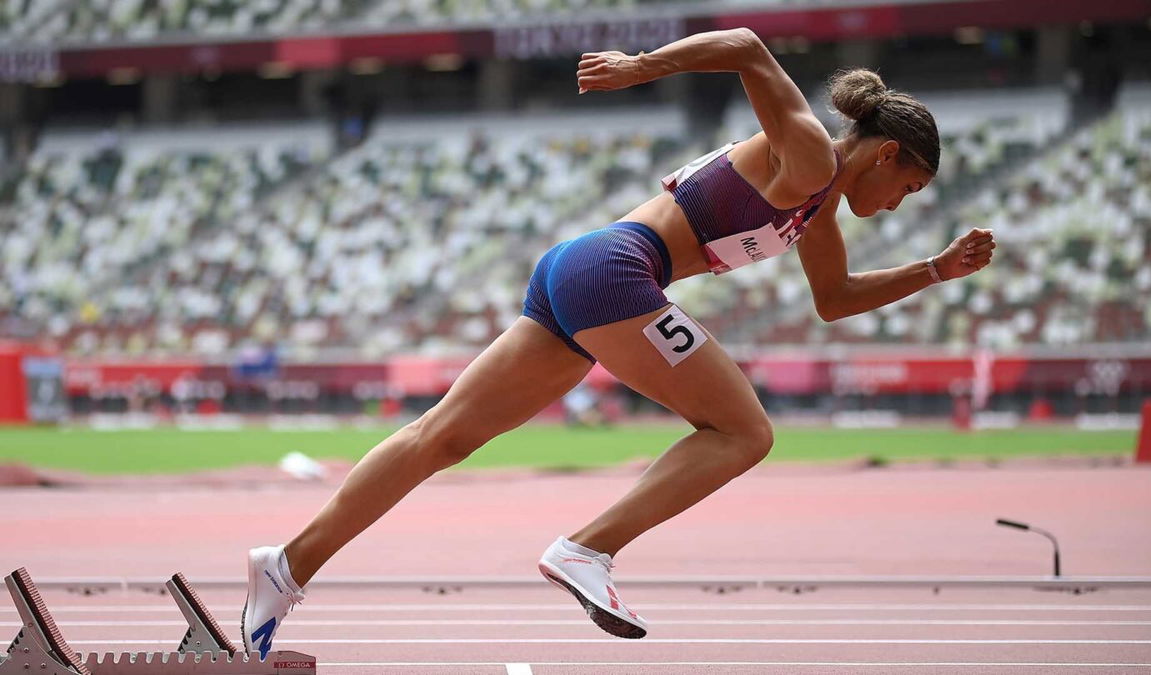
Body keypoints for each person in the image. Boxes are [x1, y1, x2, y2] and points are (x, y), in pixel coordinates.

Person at [240, 27, 997, 653]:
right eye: (909, 189)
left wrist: (933, 271)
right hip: (618, 272)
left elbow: (834, 300)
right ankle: (586, 548)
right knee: (743, 429)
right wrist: (641, 66)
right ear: (886, 154)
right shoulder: (809, 155)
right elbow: (748, 46)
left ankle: (287, 563)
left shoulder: (818, 206)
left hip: (579, 270)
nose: (899, 206)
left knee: (441, 435)